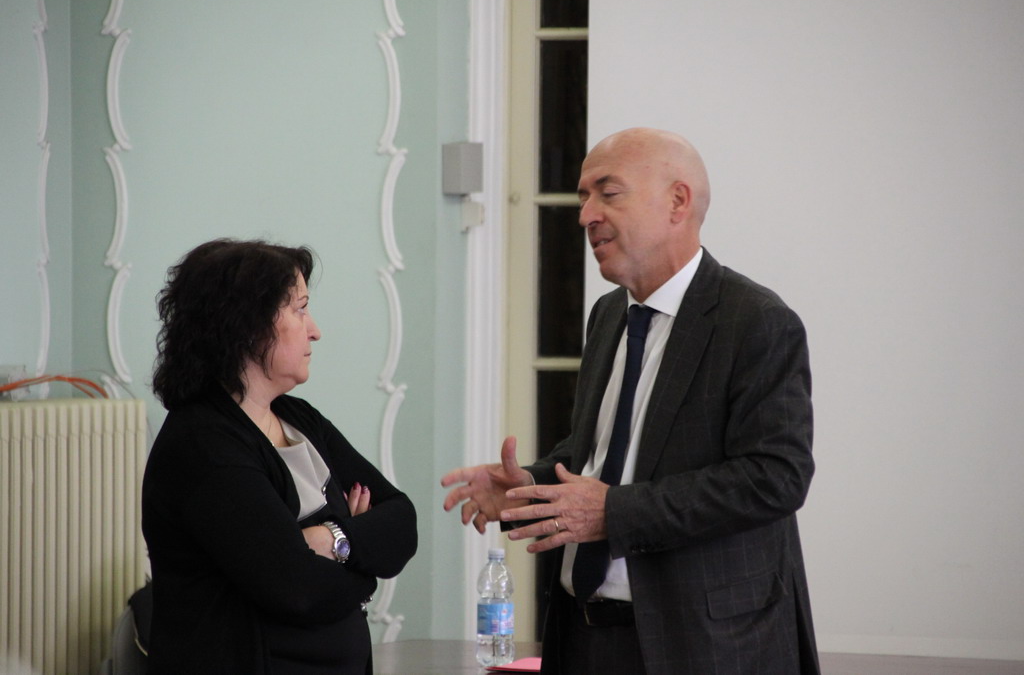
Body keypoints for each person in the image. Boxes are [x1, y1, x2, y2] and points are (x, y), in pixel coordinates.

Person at [442, 128, 819, 674]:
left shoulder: (756, 321)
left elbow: (776, 477)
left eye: (608, 193)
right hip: (583, 636)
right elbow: (603, 453)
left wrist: (613, 513)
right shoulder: (608, 315)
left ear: (677, 201)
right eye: (582, 198)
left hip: (702, 645)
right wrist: (532, 487)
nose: (585, 215)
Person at [143, 239, 417, 674]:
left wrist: (331, 540)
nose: (315, 330)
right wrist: (364, 560)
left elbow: (402, 521)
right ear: (248, 326)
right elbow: (298, 588)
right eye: (300, 309)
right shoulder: (204, 444)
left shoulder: (297, 416)